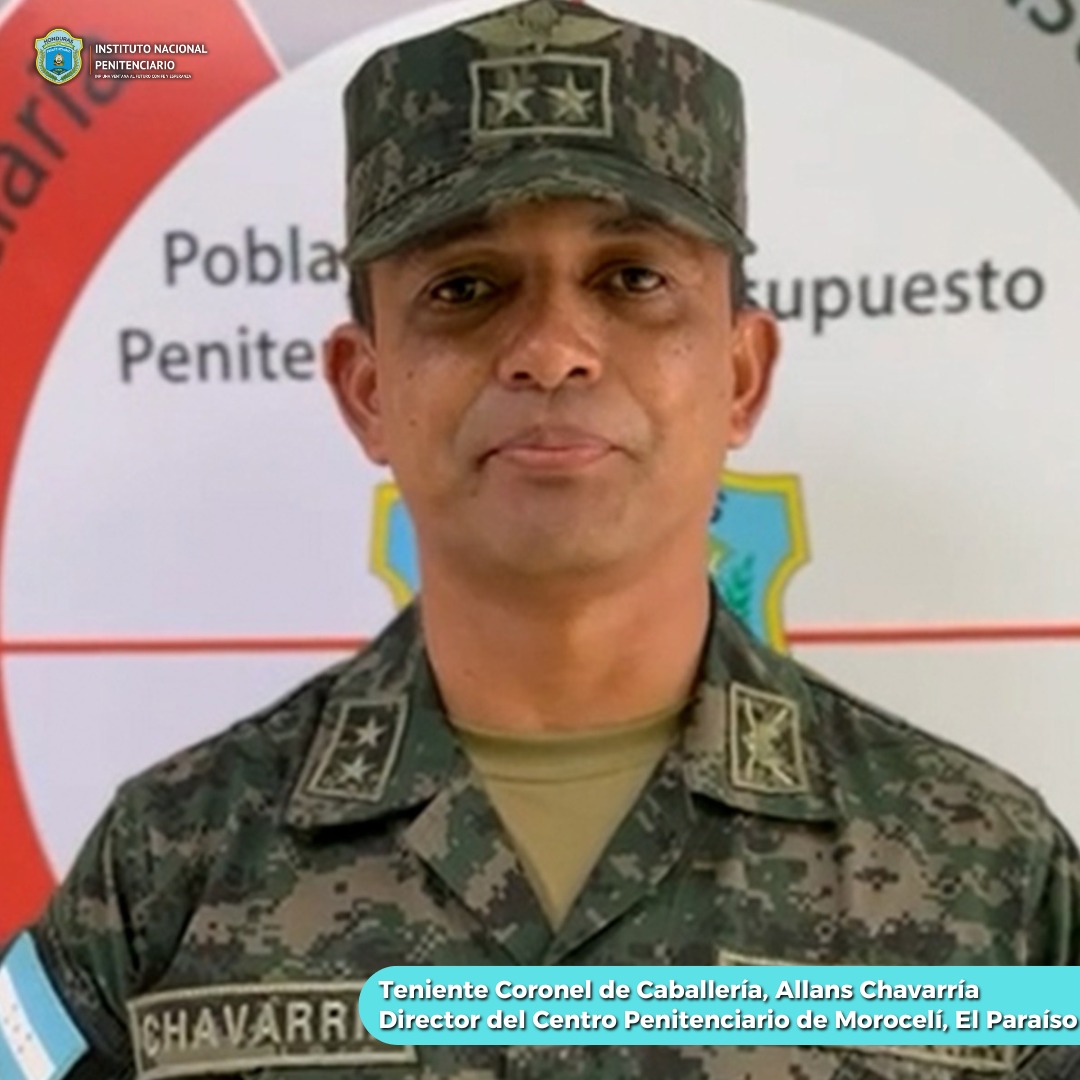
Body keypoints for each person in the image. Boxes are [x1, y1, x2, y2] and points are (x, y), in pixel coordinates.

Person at [3, 1, 1078, 1078]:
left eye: (634, 279)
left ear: (741, 375)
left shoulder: (990, 876)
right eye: (466, 288)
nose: (553, 349)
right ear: (366, 391)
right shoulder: (166, 869)